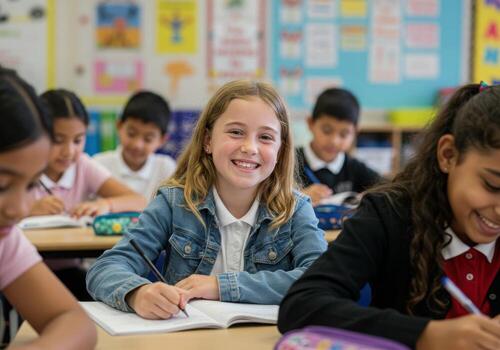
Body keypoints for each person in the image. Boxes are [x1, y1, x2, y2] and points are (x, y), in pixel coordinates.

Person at [278, 83, 500, 350]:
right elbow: (302, 306)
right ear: (448, 155)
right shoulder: (389, 215)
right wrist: (424, 334)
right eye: (492, 186)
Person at [87, 80, 327, 320]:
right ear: (208, 140)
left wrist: (221, 286)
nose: (250, 147)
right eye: (235, 132)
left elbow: (321, 279)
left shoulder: (296, 208)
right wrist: (137, 293)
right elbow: (105, 268)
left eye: (265, 137)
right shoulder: (174, 202)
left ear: (280, 150)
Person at [0, 67, 96, 349]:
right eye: (2, 186)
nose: (19, 209)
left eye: (31, 184)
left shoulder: (5, 240)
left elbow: (74, 322)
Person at [28, 89, 147, 300]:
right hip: (24, 270)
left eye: (77, 140)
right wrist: (28, 210)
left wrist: (106, 205)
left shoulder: (83, 165)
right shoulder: (24, 164)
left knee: (100, 298)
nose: (68, 151)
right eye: (58, 140)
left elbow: (139, 200)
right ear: (37, 133)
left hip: (69, 270)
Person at [297, 87, 380, 205]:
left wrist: (369, 198)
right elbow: (267, 196)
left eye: (344, 134)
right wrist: (297, 197)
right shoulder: (289, 161)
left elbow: (387, 188)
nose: (334, 141)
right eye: (327, 130)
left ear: (355, 132)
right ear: (310, 123)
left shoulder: (354, 168)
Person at [93, 91, 176, 201]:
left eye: (148, 139)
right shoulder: (98, 165)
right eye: (131, 134)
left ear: (162, 140)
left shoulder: (166, 169)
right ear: (119, 126)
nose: (137, 145)